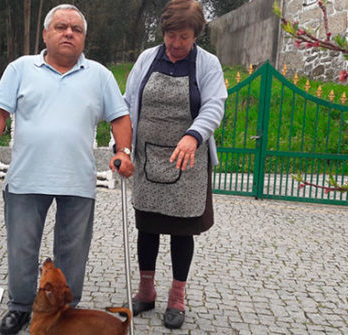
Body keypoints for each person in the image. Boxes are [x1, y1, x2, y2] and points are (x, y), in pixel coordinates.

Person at [0, 4, 133, 334]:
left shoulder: (99, 75)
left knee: (72, 251)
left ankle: (65, 311)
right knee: (22, 248)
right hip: (27, 177)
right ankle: (19, 307)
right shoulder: (20, 69)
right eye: (61, 27)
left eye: (76, 29)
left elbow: (120, 117)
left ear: (84, 38)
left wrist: (124, 152)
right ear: (46, 34)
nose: (68, 33)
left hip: (77, 180)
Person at [122, 0, 227, 329]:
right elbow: (127, 103)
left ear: (196, 34)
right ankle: (145, 291)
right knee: (147, 226)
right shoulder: (146, 59)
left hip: (188, 160)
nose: (176, 43)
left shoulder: (207, 64)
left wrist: (193, 136)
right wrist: (123, 146)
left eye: (183, 36)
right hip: (148, 157)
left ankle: (177, 298)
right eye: (171, 35)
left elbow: (214, 104)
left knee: (183, 231)